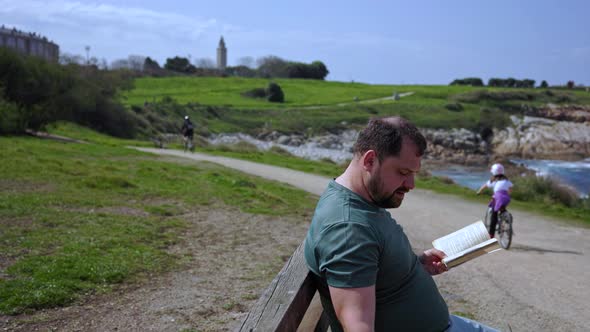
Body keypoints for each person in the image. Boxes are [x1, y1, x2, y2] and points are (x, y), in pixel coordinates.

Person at [304, 117, 499, 332]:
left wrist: (415, 264)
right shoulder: (348, 229)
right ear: (369, 160)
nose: (411, 185)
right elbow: (357, 326)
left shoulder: (363, 200)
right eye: (403, 173)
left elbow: (369, 262)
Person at [476, 163, 513, 238]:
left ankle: (491, 234)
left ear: (494, 172)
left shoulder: (493, 181)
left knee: (494, 215)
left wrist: (479, 192)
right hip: (506, 198)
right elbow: (510, 189)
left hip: (497, 197)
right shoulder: (506, 181)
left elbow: (485, 186)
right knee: (502, 207)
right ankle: (507, 217)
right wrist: (508, 193)